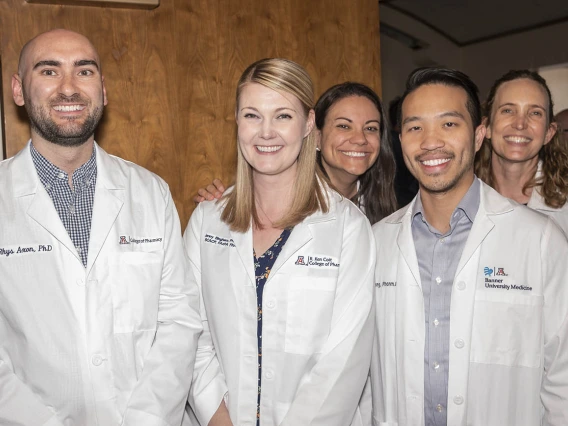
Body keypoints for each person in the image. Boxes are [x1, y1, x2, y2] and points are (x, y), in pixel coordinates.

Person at [0, 29, 203, 425]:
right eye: (48, 71)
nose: (69, 88)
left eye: (85, 71)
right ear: (18, 90)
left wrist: (147, 418)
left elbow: (178, 320)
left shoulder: (149, 192)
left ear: (104, 90)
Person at [371, 67, 568, 425]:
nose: (430, 142)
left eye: (449, 124)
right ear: (400, 141)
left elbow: (563, 375)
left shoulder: (541, 240)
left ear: (479, 136)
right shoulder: (377, 241)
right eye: (415, 127)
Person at [184, 58, 375, 426]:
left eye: (283, 116)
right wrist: (217, 417)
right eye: (252, 116)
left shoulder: (348, 228)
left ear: (308, 125)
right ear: (237, 123)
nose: (266, 132)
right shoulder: (206, 221)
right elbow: (191, 332)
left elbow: (342, 362)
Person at [193, 82, 398, 225]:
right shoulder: (275, 201)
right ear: (315, 135)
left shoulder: (388, 205)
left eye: (371, 128)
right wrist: (214, 211)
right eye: (344, 126)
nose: (360, 139)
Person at [475, 70, 568, 234]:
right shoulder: (460, 198)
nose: (520, 124)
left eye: (535, 113)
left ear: (549, 132)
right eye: (508, 110)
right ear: (487, 127)